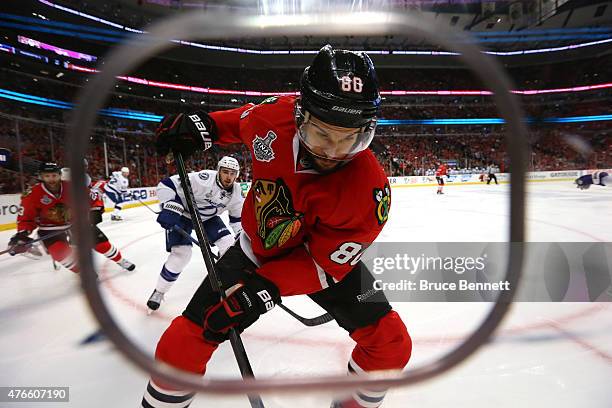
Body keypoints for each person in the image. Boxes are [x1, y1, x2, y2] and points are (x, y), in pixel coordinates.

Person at [140, 45, 411, 408]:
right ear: (300, 115)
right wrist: (203, 126)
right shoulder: (274, 115)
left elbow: (323, 267)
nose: (334, 151)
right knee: (181, 345)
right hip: (256, 249)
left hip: (318, 263)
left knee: (391, 347)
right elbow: (238, 123)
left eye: (351, 138)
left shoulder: (369, 191)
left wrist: (265, 288)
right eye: (322, 134)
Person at [146, 156, 244, 312]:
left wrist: (241, 239)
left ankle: (227, 284)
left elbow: (237, 220)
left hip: (207, 219)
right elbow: (165, 185)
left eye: (233, 173)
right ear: (218, 171)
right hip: (183, 215)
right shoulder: (203, 179)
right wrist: (170, 204)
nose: (229, 177)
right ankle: (159, 291)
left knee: (229, 245)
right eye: (225, 172)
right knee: (182, 255)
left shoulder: (237, 193)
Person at [8, 162, 135, 273]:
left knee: (102, 245)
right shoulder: (32, 194)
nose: (51, 179)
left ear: (59, 175)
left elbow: (94, 198)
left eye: (54, 175)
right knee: (60, 253)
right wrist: (23, 233)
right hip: (50, 229)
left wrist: (95, 211)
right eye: (47, 176)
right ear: (41, 177)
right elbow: (26, 218)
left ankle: (120, 260)